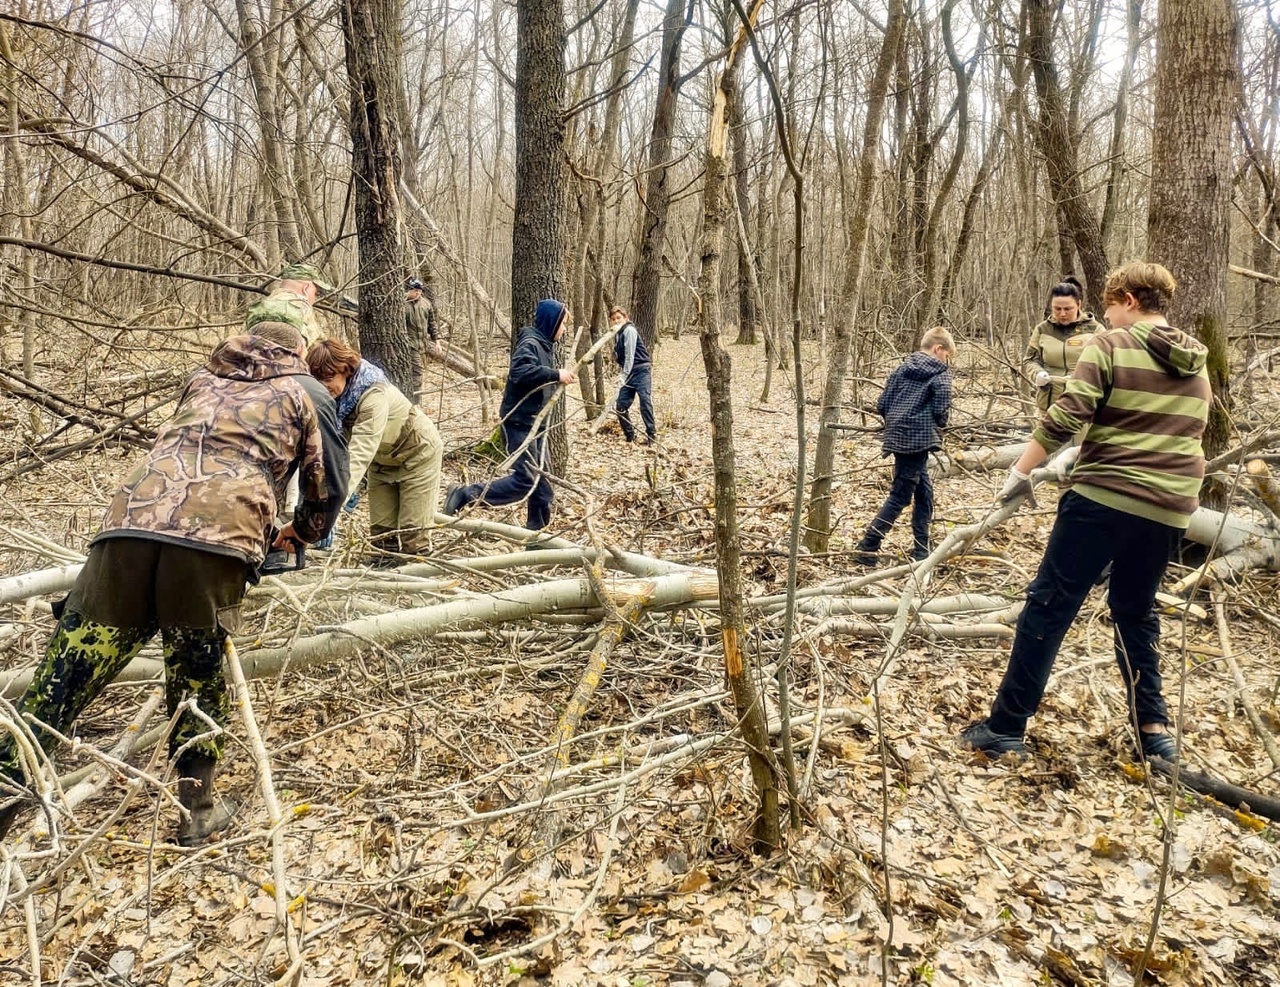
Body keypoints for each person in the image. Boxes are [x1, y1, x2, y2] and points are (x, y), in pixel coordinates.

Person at [0, 323, 349, 845]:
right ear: (297, 353)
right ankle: (197, 810)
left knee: (64, 676)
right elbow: (327, 480)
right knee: (196, 675)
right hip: (217, 537)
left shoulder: (201, 380)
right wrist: (304, 531)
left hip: (129, 523)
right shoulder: (304, 392)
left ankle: (5, 794)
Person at [961, 262, 1210, 762]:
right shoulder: (1195, 360)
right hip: (1169, 506)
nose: (1107, 315)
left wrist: (1022, 472)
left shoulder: (1110, 344)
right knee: (1136, 614)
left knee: (1049, 605)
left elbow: (1070, 412)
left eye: (1111, 305)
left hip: (1104, 498)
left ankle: (1006, 726)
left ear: (1131, 301)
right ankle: (1154, 731)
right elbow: (1177, 427)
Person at [443, 299, 577, 533]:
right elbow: (520, 371)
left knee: (542, 485)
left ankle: (536, 537)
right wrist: (556, 374)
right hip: (519, 423)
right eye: (562, 324)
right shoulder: (531, 343)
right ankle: (466, 494)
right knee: (527, 481)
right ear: (551, 322)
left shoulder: (543, 344)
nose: (564, 330)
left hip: (535, 424)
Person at [307, 338, 444, 556]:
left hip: (417, 455)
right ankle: (385, 584)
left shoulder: (372, 393)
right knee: (381, 536)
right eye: (318, 380)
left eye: (329, 378)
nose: (324, 386)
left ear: (345, 369)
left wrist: (334, 506)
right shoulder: (335, 399)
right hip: (381, 463)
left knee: (413, 535)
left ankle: (416, 582)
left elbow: (361, 451)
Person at [853, 327, 955, 565]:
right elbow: (941, 411)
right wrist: (935, 423)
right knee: (900, 496)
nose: (946, 360)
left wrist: (898, 419)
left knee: (924, 493)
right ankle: (868, 547)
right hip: (917, 441)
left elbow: (882, 403)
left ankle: (922, 550)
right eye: (947, 355)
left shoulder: (901, 368)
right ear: (938, 349)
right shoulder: (941, 374)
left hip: (896, 436)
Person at [1023, 276, 1103, 414]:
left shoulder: (1096, 330)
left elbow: (1106, 366)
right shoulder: (1043, 329)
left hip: (1083, 405)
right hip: (1048, 404)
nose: (1062, 314)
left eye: (1068, 309)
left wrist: (1081, 378)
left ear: (1079, 305)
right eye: (1057, 309)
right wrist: (1037, 373)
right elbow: (1030, 360)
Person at [245, 262, 335, 347]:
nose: (315, 297)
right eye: (316, 293)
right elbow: (318, 347)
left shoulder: (260, 305)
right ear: (306, 288)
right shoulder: (302, 306)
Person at [609, 307, 656, 444]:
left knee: (645, 402)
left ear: (626, 318)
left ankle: (652, 436)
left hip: (641, 370)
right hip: (628, 372)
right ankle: (630, 436)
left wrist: (623, 376)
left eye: (619, 318)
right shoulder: (617, 334)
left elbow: (630, 356)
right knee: (621, 406)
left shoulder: (629, 330)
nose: (616, 321)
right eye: (613, 319)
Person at [405, 277, 438, 346]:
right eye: (415, 290)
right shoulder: (402, 304)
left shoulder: (426, 304)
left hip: (424, 344)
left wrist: (437, 342)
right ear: (409, 290)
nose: (418, 293)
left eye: (420, 291)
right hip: (409, 345)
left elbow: (432, 323)